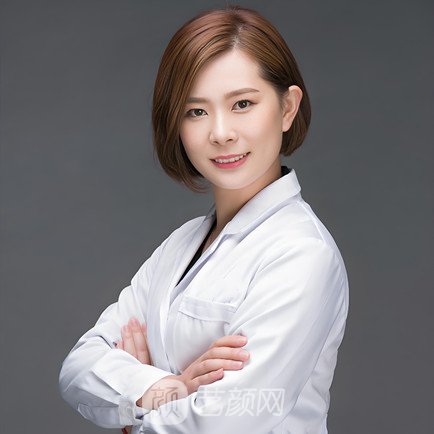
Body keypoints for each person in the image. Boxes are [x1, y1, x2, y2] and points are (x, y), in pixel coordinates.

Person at [59, 5, 349, 434]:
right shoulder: (180, 245)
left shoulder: (302, 254)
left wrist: (132, 407)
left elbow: (224, 421)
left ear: (287, 108)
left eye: (243, 104)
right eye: (196, 111)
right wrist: (169, 388)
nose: (220, 133)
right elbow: (78, 368)